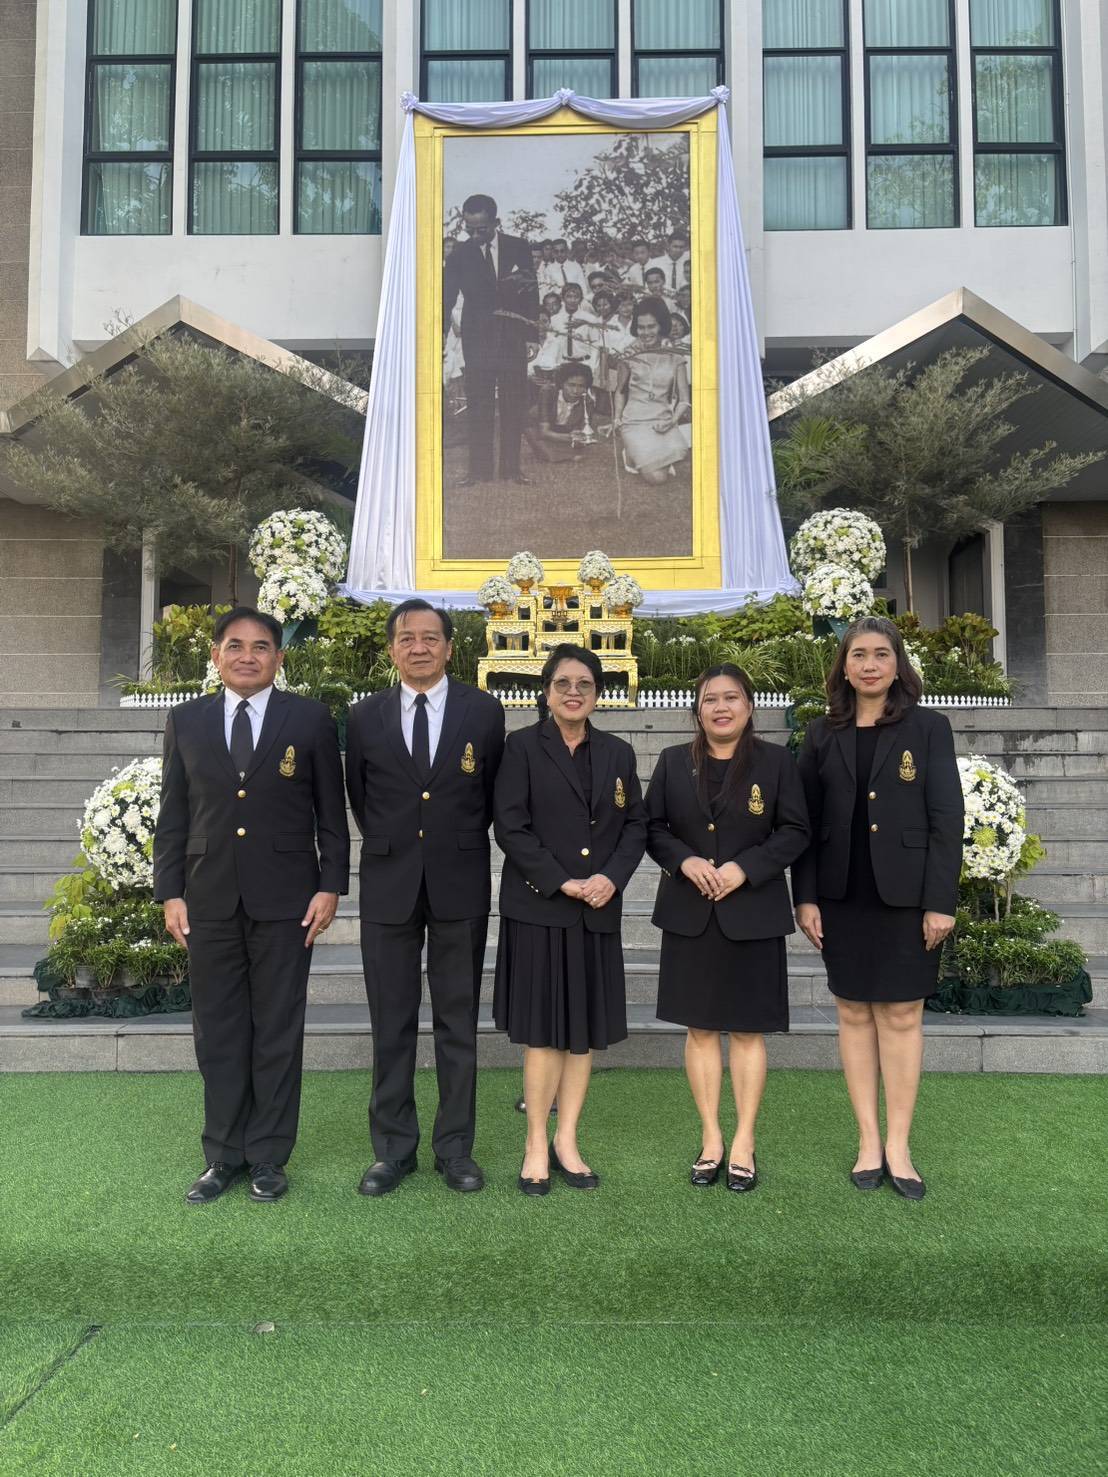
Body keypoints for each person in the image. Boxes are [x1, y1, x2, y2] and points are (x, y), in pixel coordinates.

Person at [154, 607, 350, 1205]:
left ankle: (267, 1155)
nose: (247, 656)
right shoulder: (185, 721)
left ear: (279, 658)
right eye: (234, 646)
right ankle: (222, 1154)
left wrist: (330, 885)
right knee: (217, 1032)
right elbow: (174, 818)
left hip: (288, 902)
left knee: (276, 1030)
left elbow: (332, 819)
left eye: (260, 646)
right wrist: (170, 893)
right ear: (215, 656)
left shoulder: (311, 720)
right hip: (208, 899)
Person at [793, 616, 963, 1201]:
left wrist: (940, 901)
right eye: (858, 654)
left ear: (898, 664)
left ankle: (899, 1146)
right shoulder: (820, 733)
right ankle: (868, 1141)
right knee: (854, 1014)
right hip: (842, 897)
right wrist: (806, 896)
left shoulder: (929, 728)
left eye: (881, 654)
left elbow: (947, 818)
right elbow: (805, 825)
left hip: (908, 898)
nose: (869, 664)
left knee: (901, 1015)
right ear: (843, 665)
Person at [345, 600, 506, 1196]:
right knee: (391, 1021)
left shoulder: (484, 713)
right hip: (389, 884)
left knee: (456, 1020)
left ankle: (455, 1149)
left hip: (459, 881)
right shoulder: (363, 717)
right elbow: (360, 797)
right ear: (392, 649)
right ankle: (393, 1150)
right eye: (407, 638)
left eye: (430, 638)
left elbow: (490, 795)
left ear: (448, 648)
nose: (419, 647)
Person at [646, 665, 809, 1192]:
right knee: (699, 1030)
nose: (720, 707)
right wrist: (683, 861)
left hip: (752, 915)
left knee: (746, 1031)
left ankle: (744, 1140)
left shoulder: (777, 762)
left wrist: (747, 867)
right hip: (690, 915)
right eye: (710, 699)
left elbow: (795, 831)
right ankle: (711, 1137)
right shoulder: (673, 763)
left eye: (731, 698)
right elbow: (651, 827)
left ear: (749, 706)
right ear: (697, 709)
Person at [493, 644, 647, 1195]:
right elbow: (510, 826)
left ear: (598, 693)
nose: (574, 692)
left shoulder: (618, 752)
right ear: (547, 690)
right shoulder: (520, 747)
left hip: (597, 910)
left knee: (581, 1037)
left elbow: (635, 826)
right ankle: (536, 1143)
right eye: (563, 683)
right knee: (542, 1035)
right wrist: (561, 880)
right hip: (541, 907)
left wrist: (612, 878)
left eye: (584, 683)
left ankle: (567, 1141)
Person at [443, 192, 539, 486]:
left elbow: (530, 292)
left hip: (511, 339)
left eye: (481, 228)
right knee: (479, 405)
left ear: (496, 222)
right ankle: (479, 471)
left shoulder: (519, 247)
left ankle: (511, 470)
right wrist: (437, 340)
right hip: (476, 340)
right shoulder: (459, 254)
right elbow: (446, 299)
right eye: (469, 228)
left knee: (513, 403)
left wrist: (532, 334)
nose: (475, 234)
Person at [614, 296, 692, 484]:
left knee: (681, 453)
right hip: (634, 421)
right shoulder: (628, 354)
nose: (646, 332)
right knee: (657, 479)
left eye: (651, 326)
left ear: (661, 326)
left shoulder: (675, 355)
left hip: (662, 420)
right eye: (641, 327)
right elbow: (620, 391)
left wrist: (672, 421)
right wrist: (617, 418)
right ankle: (631, 454)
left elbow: (684, 400)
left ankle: (649, 454)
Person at [531, 361, 598, 462]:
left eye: (581, 386)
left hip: (561, 432)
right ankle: (554, 452)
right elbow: (544, 432)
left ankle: (557, 449)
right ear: (562, 383)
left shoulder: (588, 401)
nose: (575, 390)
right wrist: (570, 438)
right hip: (538, 425)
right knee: (549, 455)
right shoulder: (548, 392)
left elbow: (581, 430)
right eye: (571, 385)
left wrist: (578, 436)